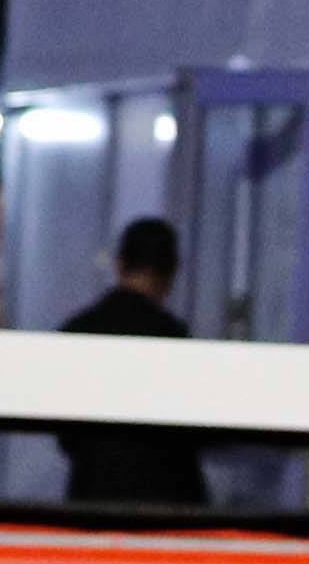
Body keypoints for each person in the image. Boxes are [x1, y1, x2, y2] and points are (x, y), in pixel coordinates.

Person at [57, 217, 207, 507]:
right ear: (172, 271)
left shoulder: (79, 330)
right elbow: (199, 430)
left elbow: (66, 434)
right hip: (168, 505)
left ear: (119, 263)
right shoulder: (173, 338)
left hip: (92, 499)